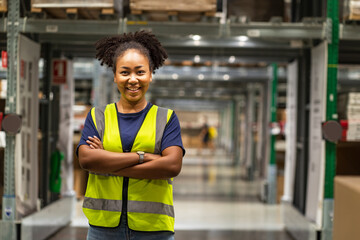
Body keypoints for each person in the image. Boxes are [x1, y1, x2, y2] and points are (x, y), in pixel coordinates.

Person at [77, 30, 185, 240]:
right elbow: (87, 160)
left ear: (151, 74)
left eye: (140, 72)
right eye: (125, 72)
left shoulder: (166, 118)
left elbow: (172, 166)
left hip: (154, 230)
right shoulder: (98, 116)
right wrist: (142, 156)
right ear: (115, 76)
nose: (133, 79)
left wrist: (108, 161)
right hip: (103, 229)